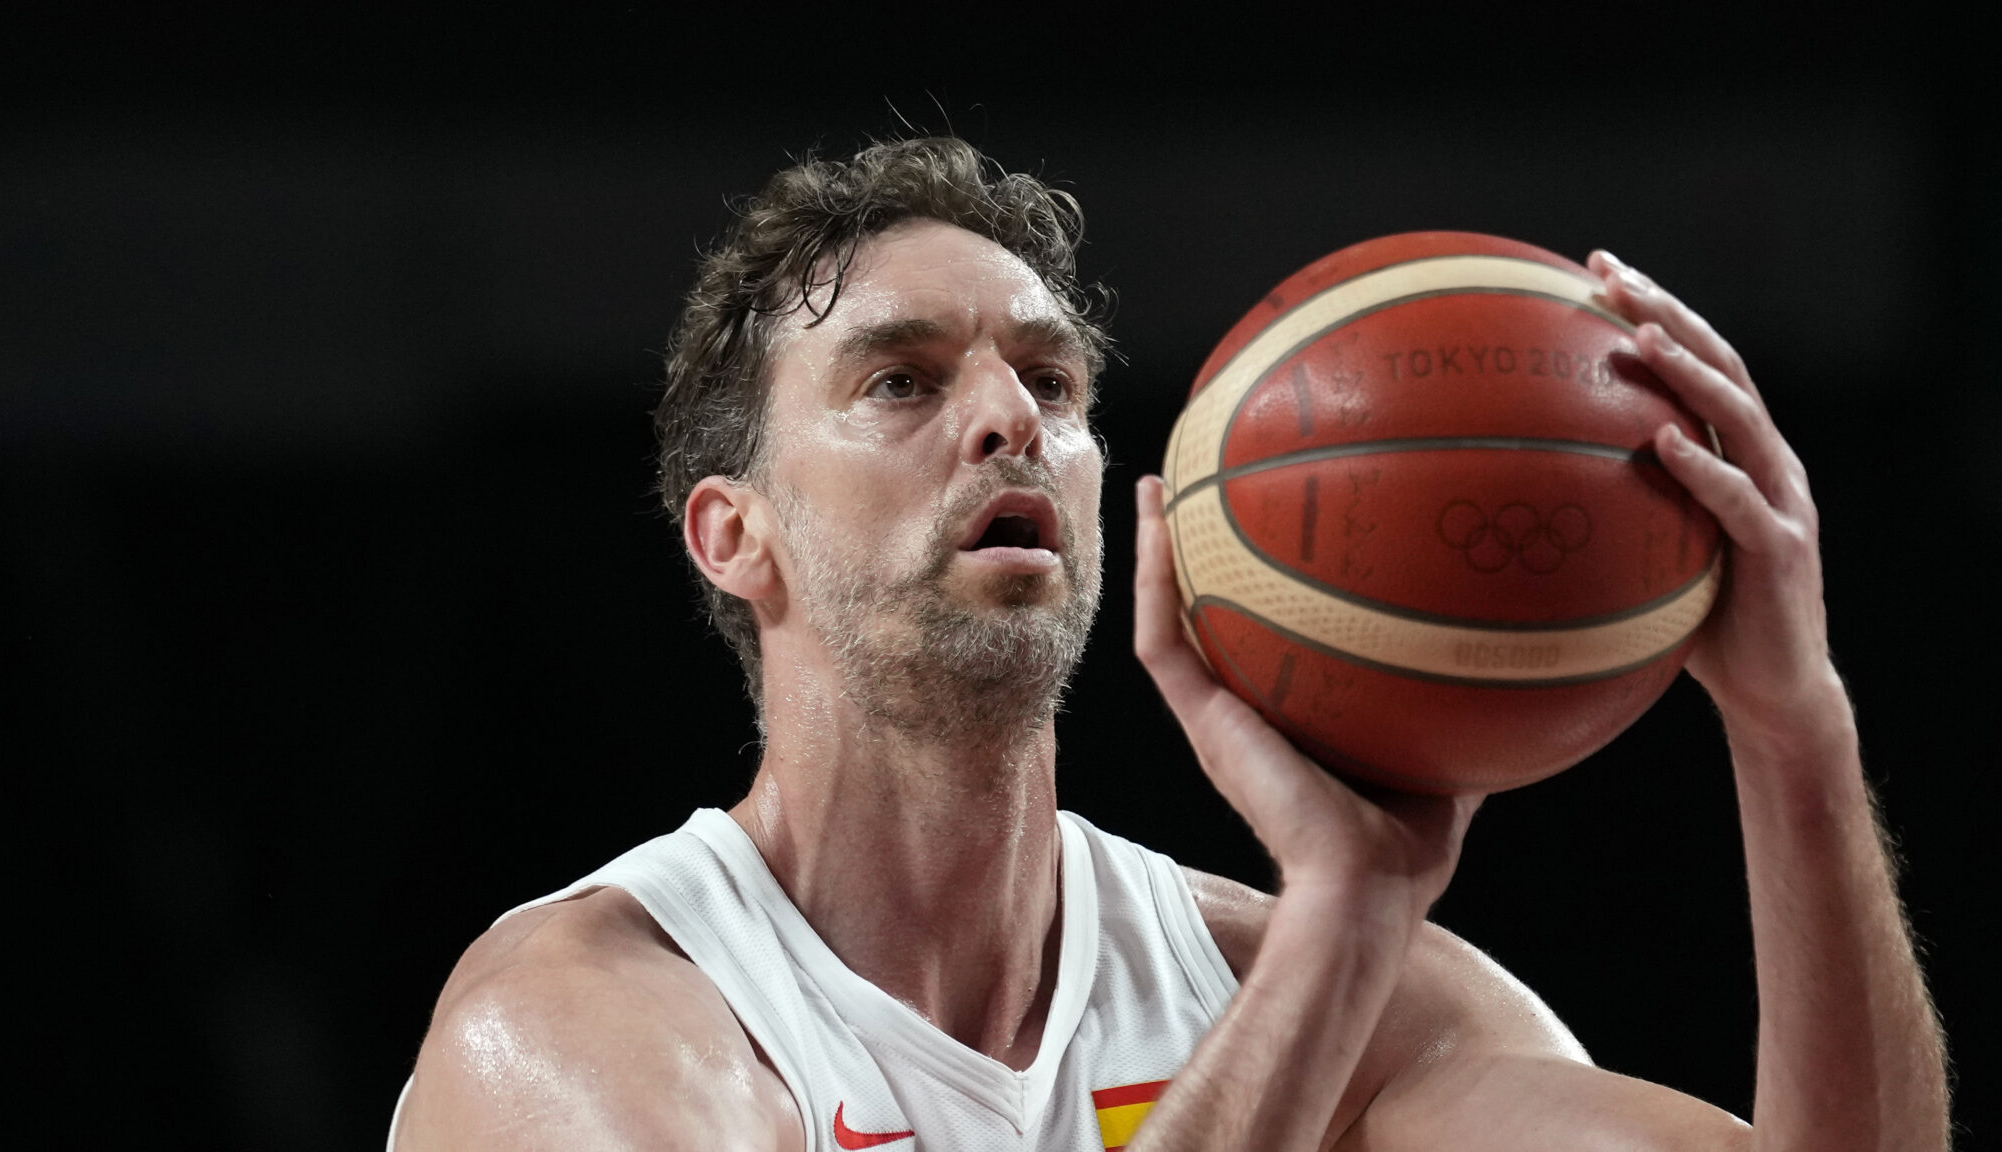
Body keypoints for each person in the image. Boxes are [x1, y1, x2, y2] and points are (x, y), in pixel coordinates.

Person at [391, 137, 1949, 1150]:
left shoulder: (1312, 990)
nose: (1009, 418)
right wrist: (1337, 938)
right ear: (736, 536)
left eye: (1051, 382)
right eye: (902, 380)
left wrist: (1793, 732)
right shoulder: (577, 1024)